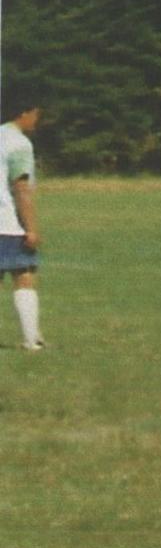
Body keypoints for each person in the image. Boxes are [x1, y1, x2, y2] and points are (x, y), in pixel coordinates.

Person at [0, 86, 46, 351]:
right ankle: (32, 339)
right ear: (25, 113)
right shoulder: (19, 143)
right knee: (24, 275)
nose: (36, 121)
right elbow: (21, 188)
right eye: (35, 115)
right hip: (7, 222)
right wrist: (31, 229)